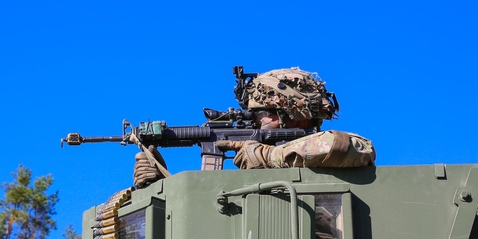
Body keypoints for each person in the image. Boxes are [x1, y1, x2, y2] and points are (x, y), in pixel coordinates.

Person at [132, 68, 374, 188]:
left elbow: (358, 147)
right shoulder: (260, 168)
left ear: (297, 117)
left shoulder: (329, 148)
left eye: (264, 113)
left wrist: (269, 156)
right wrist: (159, 185)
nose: (257, 120)